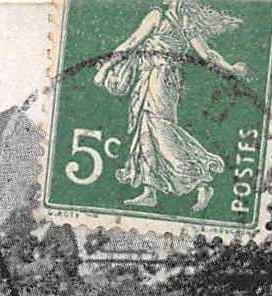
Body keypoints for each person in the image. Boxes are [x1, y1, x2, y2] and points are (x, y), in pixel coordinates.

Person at [94, 0, 248, 212]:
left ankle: (200, 180)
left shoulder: (158, 15)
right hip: (165, 80)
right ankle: (150, 191)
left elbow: (131, 43)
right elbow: (209, 55)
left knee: (159, 128)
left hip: (157, 78)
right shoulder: (186, 21)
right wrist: (230, 67)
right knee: (147, 128)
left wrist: (105, 69)